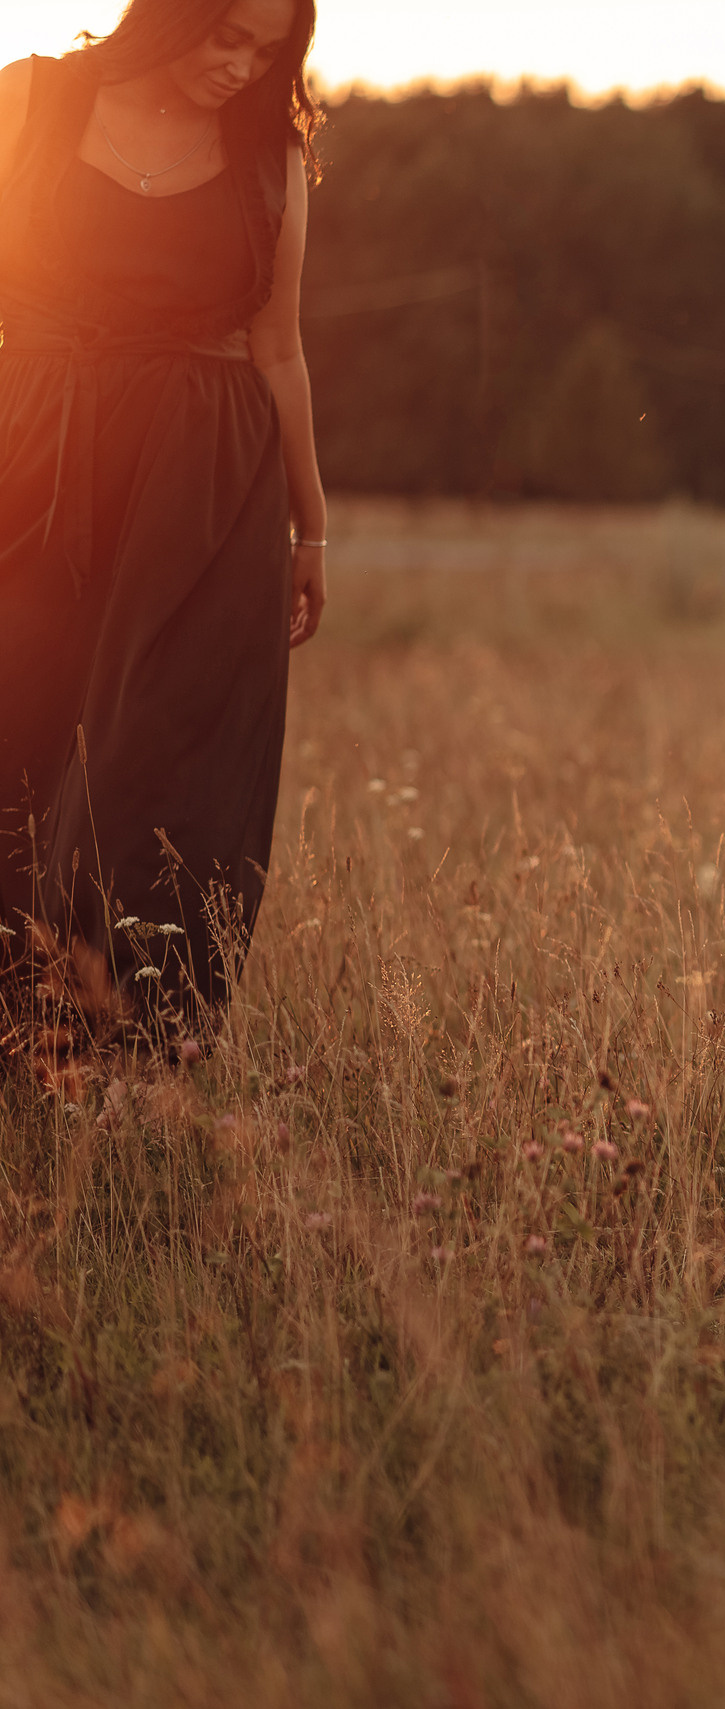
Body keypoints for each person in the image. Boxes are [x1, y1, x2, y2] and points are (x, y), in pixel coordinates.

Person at [0, 0, 326, 1044]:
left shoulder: (270, 152)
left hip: (202, 493)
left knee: (166, 767)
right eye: (223, 36)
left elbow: (277, 347)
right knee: (19, 739)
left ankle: (132, 1046)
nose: (239, 67)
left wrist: (309, 528)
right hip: (35, 460)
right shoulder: (30, 98)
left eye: (265, 53)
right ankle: (20, 1030)